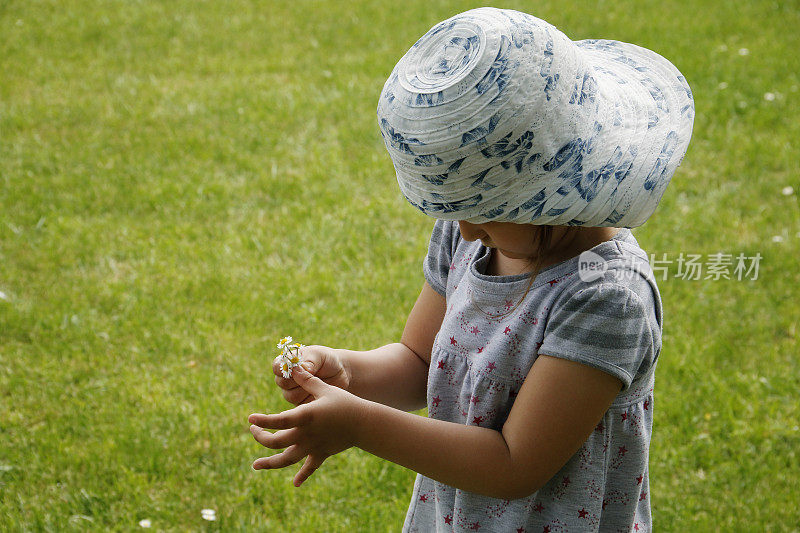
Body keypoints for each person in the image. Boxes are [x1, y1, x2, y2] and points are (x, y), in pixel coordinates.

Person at [248, 7, 694, 532]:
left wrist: (361, 425)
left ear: (548, 195)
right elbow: (417, 360)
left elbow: (514, 464)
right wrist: (349, 375)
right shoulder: (471, 237)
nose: (462, 230)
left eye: (482, 210)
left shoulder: (606, 296)